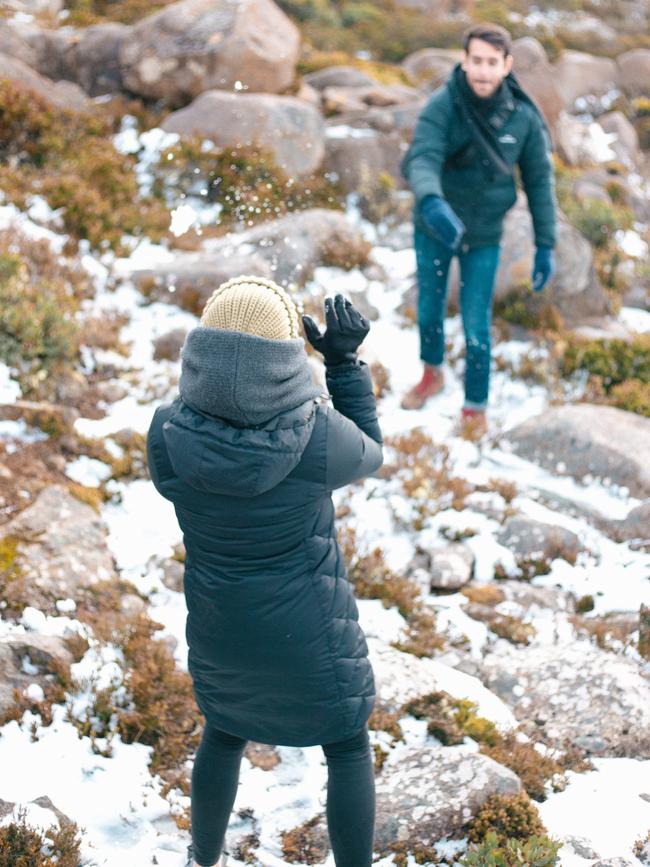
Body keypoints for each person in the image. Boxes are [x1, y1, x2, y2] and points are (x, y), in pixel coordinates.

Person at [146, 275, 383, 867]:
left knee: (223, 732)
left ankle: (203, 858)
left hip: (221, 632)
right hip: (312, 642)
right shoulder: (317, 442)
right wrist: (344, 363)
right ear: (284, 361)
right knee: (348, 746)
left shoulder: (166, 435)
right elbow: (372, 451)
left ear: (200, 352)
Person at [400, 22, 557, 434]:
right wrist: (431, 202)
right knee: (430, 307)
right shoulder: (443, 105)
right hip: (436, 224)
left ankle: (475, 407)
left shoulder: (522, 117)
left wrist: (546, 244)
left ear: (506, 65)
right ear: (464, 61)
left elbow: (539, 181)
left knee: (476, 322)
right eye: (476, 61)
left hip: (485, 233)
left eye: (492, 62)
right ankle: (432, 374)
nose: (483, 71)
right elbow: (423, 157)